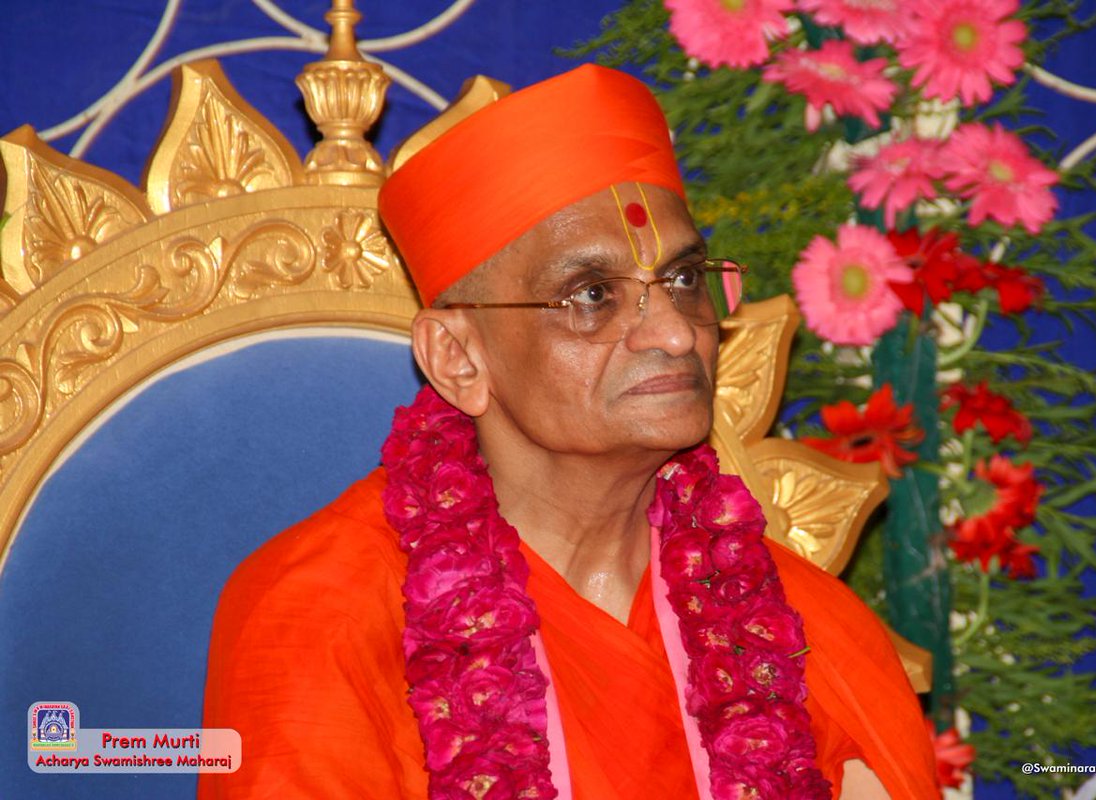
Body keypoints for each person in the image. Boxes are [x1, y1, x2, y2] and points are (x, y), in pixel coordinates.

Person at [199, 64, 938, 799]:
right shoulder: (318, 614)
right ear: (457, 358)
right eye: (591, 296)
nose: (677, 335)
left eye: (683, 281)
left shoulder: (804, 630)